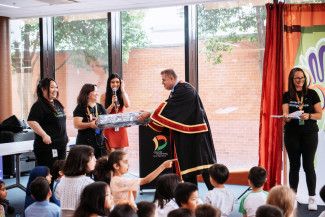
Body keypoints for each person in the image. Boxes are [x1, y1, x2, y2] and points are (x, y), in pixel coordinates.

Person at [138, 69, 216, 189]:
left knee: (205, 168)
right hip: (188, 136)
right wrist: (150, 114)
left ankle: (217, 198)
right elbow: (170, 110)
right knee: (188, 170)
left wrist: (150, 113)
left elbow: (169, 108)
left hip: (197, 136)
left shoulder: (185, 89)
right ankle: (191, 198)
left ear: (172, 78)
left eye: (164, 80)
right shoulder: (177, 91)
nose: (162, 83)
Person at [282, 67, 322, 211]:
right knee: (294, 166)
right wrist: (286, 118)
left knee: (308, 166)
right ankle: (293, 197)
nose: (300, 81)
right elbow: (285, 114)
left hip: (309, 134)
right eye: (297, 78)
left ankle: (312, 197)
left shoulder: (312, 94)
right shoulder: (287, 95)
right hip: (292, 134)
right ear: (292, 80)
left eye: (302, 78)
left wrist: (309, 116)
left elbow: (319, 114)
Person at [107, 150, 174, 207]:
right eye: (125, 162)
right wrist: (163, 166)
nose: (128, 165)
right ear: (116, 166)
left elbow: (134, 196)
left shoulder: (117, 180)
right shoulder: (118, 181)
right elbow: (146, 180)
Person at [28, 78, 68, 171]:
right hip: (47, 147)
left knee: (59, 172)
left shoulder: (56, 103)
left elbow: (61, 121)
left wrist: (65, 135)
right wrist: (44, 135)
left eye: (56, 87)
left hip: (61, 144)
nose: (55, 90)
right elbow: (32, 121)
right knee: (48, 173)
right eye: (52, 87)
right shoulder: (39, 105)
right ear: (43, 89)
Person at [55, 145, 96, 217]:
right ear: (83, 160)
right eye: (92, 157)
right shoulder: (88, 183)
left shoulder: (62, 180)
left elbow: (57, 196)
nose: (95, 159)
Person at [73, 83, 107, 158]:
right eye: (95, 91)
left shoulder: (100, 107)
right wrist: (90, 124)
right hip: (84, 144)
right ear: (88, 94)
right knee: (85, 167)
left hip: (99, 143)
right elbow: (77, 124)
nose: (97, 94)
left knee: (100, 166)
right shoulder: (80, 107)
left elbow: (106, 122)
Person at [101, 73, 130, 151]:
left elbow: (127, 105)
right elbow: (103, 113)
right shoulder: (104, 96)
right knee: (111, 154)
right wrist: (112, 104)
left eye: (117, 82)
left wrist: (123, 90)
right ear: (109, 83)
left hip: (120, 126)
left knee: (120, 155)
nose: (115, 84)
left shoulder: (123, 94)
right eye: (112, 82)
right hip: (109, 127)